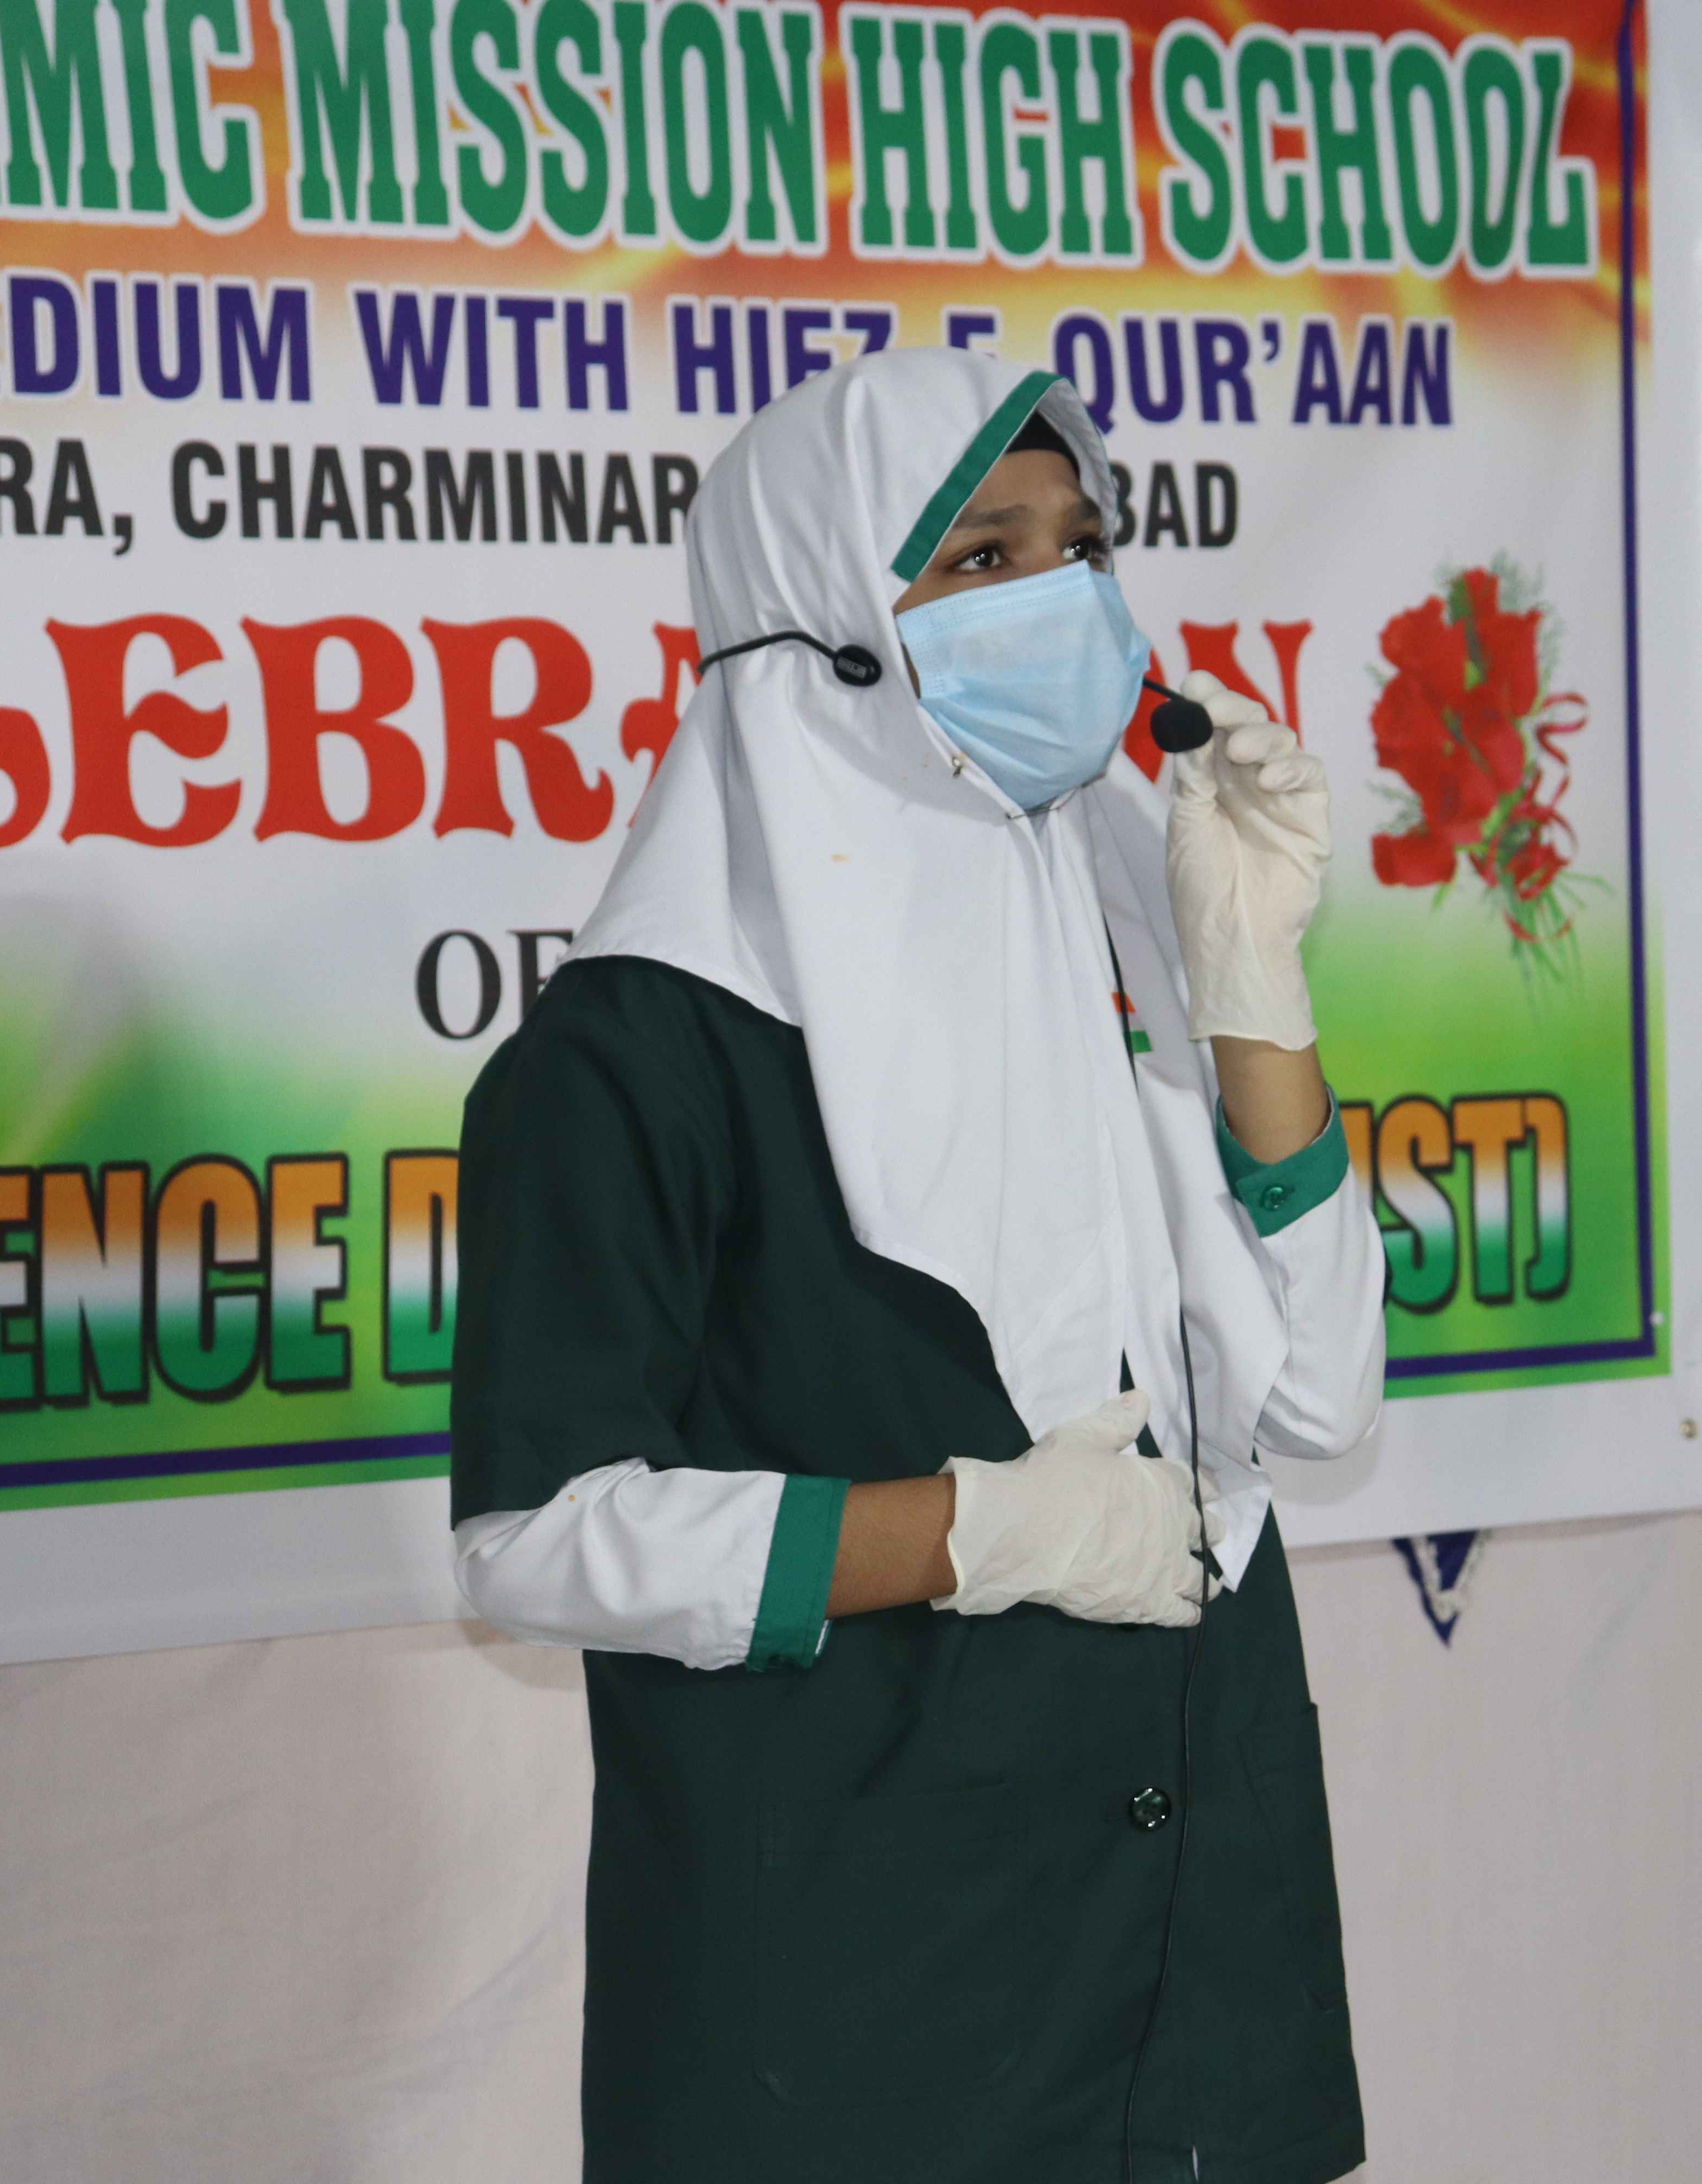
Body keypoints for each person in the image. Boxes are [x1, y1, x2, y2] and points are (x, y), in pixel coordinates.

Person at [448, 345, 1387, 2184]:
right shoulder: (635, 1051)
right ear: (825, 618)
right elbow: (533, 1539)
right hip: (865, 2029)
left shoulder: (1120, 921)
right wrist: (975, 1533)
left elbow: (1321, 1399)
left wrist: (1255, 991)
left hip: (1194, 1989)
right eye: (981, 556)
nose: (1066, 596)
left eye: (1083, 545)